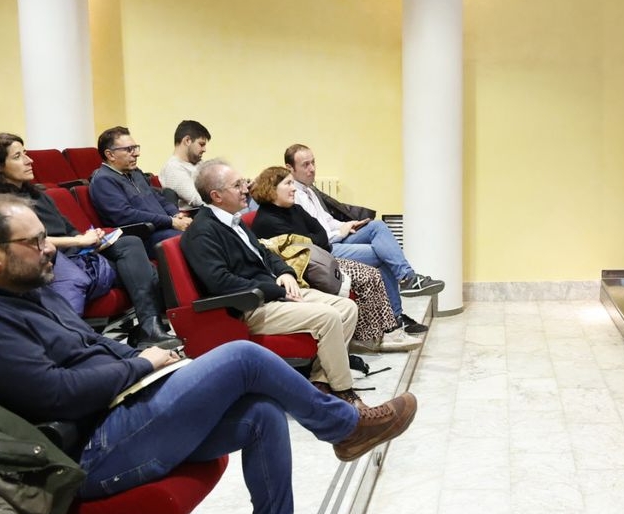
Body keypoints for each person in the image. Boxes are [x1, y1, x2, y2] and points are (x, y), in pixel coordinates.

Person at [0, 195, 419, 514]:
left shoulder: (27, 291)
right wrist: (142, 366)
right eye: (34, 242)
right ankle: (345, 427)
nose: (49, 249)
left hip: (113, 413)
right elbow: (57, 394)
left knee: (262, 414)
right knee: (243, 356)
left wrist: (148, 361)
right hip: (75, 455)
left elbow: (97, 349)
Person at [0, 132, 178, 348]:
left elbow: (68, 228)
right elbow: (28, 241)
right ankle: (120, 335)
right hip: (52, 261)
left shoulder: (38, 194)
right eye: (18, 156)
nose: (29, 160)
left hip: (79, 254)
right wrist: (78, 242)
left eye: (26, 153)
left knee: (130, 244)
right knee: (143, 269)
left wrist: (91, 238)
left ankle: (149, 327)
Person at [181, 160, 365, 406]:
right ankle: (344, 391)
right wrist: (276, 290)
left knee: (347, 308)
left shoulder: (232, 220)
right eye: (237, 185)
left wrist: (285, 272)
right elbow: (220, 282)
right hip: (249, 306)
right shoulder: (203, 232)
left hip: (271, 293)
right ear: (216, 196)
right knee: (329, 317)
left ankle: (320, 381)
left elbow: (265, 254)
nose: (246, 189)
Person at [249, 166, 420, 353]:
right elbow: (304, 245)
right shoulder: (266, 220)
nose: (294, 188)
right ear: (272, 188)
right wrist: (313, 238)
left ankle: (390, 325)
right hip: (305, 267)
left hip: (321, 256)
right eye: (288, 183)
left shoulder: (295, 209)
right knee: (369, 272)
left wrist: (314, 238)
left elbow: (320, 234)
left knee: (378, 237)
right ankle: (376, 333)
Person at [284, 143, 441, 335]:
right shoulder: (294, 196)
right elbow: (315, 238)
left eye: (313, 162)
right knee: (382, 255)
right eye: (305, 165)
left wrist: (349, 225)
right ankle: (399, 309)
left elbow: (326, 221)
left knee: (377, 226)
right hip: (326, 249)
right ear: (290, 168)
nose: (312, 169)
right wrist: (340, 233)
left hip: (336, 238)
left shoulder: (309, 190)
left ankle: (406, 280)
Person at [89, 126, 192, 257]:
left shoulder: (135, 173)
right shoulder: (103, 180)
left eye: (135, 147)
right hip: (143, 237)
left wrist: (176, 215)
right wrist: (171, 221)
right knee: (192, 240)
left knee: (205, 232)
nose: (136, 153)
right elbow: (126, 216)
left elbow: (158, 198)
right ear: (110, 155)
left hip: (163, 227)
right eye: (128, 149)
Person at [158, 119, 210, 209]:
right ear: (187, 141)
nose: (204, 149)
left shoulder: (198, 163)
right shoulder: (173, 168)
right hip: (198, 216)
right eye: (201, 144)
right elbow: (197, 200)